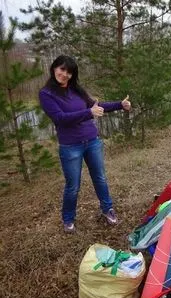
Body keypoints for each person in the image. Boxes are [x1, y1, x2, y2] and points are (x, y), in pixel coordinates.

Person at [39, 55, 131, 233]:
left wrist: (120, 104)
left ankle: (107, 209)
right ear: (54, 68)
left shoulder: (76, 90)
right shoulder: (46, 94)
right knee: (73, 186)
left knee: (100, 178)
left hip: (92, 141)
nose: (65, 74)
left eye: (69, 72)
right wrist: (89, 112)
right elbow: (60, 119)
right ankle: (68, 219)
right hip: (70, 146)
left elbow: (97, 106)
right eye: (62, 69)